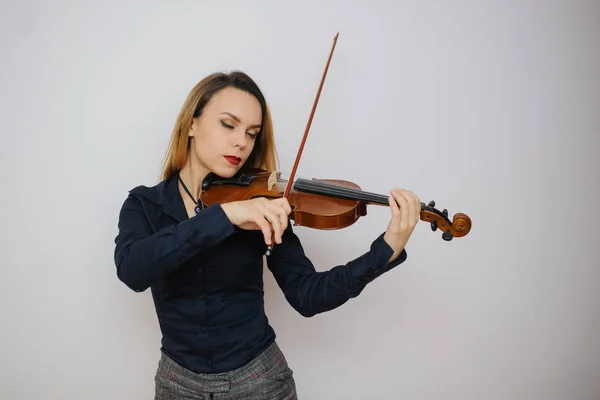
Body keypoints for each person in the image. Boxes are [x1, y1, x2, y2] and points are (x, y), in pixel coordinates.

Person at [114, 71, 421, 399]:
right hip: (177, 387)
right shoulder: (145, 204)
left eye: (251, 133)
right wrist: (226, 216)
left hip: (259, 384)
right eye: (228, 124)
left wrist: (386, 249)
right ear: (192, 124)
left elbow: (308, 295)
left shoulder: (264, 205)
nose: (241, 142)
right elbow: (133, 269)